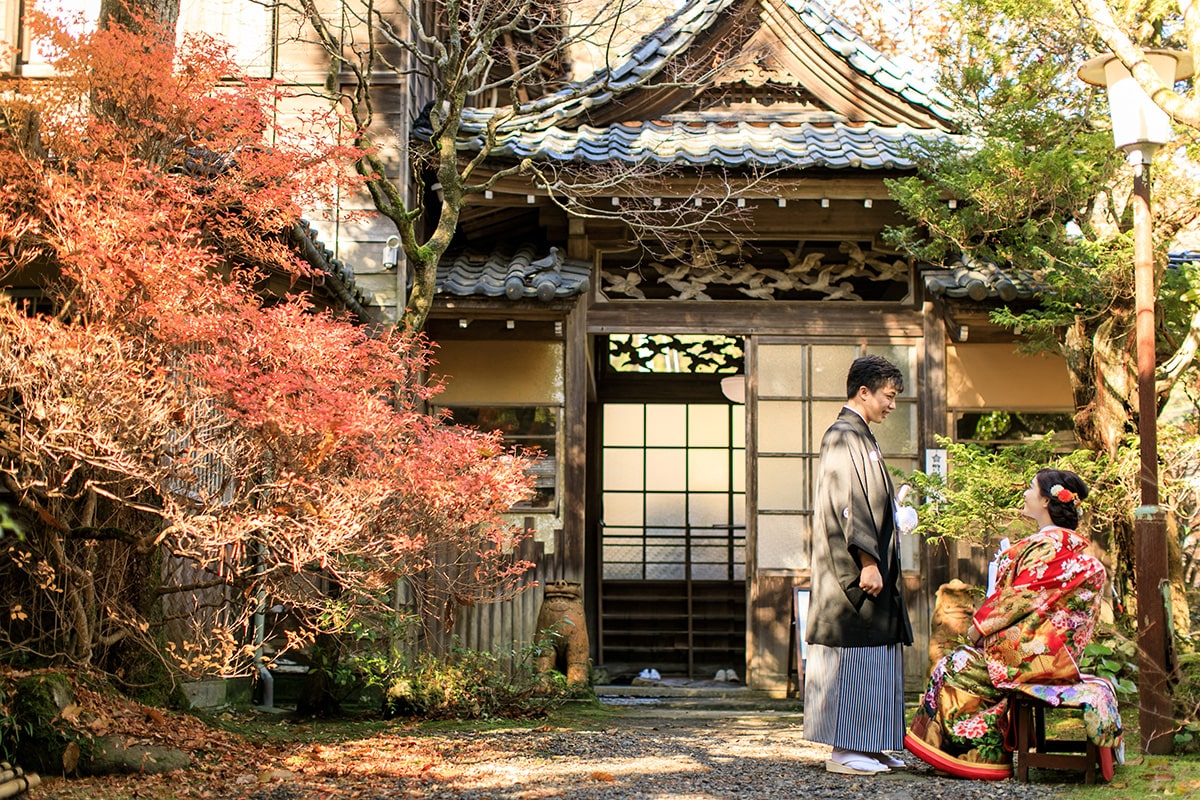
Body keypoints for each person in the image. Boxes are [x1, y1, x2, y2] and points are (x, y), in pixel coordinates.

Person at [904, 469, 1123, 780]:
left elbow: (1018, 598)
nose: (1024, 493)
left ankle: (977, 758)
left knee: (955, 665)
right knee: (964, 661)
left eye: (1030, 489)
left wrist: (978, 629)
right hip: (1057, 655)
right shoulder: (1071, 550)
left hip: (1033, 657)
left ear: (1047, 500)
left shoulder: (1045, 547)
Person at [804, 354, 914, 775]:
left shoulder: (862, 436)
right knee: (855, 655)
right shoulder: (843, 435)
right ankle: (845, 748)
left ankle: (872, 743)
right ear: (863, 392)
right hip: (853, 569)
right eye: (888, 396)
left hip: (870, 566)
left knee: (877, 653)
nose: (891, 405)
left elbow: (872, 498)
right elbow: (849, 504)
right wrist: (868, 561)